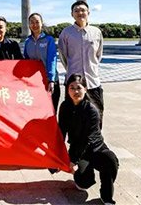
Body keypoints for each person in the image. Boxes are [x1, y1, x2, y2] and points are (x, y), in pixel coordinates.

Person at [58, 74, 118, 205]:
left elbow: (88, 139)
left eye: (79, 88)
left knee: (111, 161)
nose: (75, 91)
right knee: (83, 183)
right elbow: (61, 132)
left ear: (85, 89)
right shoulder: (65, 107)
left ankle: (107, 197)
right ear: (67, 90)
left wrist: (73, 160)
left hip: (96, 147)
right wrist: (59, 157)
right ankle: (83, 176)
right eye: (72, 88)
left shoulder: (92, 110)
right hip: (79, 149)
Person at [57, 0, 105, 122]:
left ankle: (95, 136)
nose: (80, 13)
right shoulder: (66, 33)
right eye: (76, 10)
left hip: (92, 82)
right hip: (73, 84)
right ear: (72, 14)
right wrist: (72, 70)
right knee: (72, 118)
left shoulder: (96, 32)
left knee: (96, 115)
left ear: (88, 12)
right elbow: (63, 56)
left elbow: (98, 55)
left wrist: (91, 67)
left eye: (83, 10)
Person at [23, 13, 60, 113]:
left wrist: (51, 80)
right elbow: (26, 60)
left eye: (37, 22)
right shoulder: (28, 41)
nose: (34, 25)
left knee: (51, 112)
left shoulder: (49, 40)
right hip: (35, 82)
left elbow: (52, 59)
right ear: (29, 24)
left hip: (50, 81)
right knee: (37, 112)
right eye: (32, 22)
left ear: (42, 23)